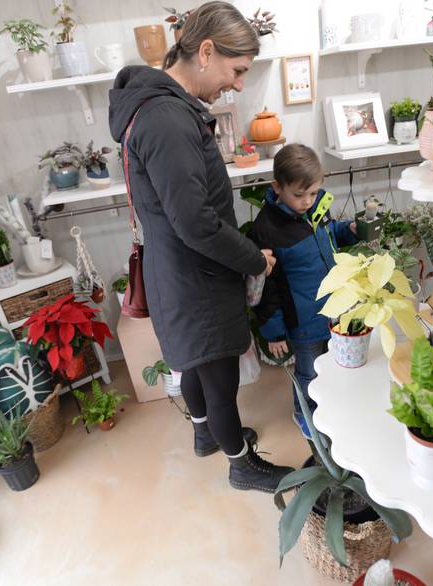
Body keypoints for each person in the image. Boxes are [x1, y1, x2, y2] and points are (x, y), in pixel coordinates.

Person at [108, 1, 293, 493]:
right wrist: (255, 259)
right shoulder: (168, 119)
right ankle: (241, 463)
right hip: (197, 277)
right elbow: (197, 223)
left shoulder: (155, 108)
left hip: (177, 271)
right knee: (218, 377)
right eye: (237, 71)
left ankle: (206, 435)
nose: (237, 84)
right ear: (205, 51)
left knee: (193, 362)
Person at [249, 144, 357, 438]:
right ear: (277, 187)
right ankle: (306, 417)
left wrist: (348, 230)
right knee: (309, 373)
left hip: (335, 311)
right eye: (299, 195)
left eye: (313, 193)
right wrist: (273, 333)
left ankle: (330, 410)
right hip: (303, 322)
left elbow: (330, 235)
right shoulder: (266, 229)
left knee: (334, 365)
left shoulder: (318, 206)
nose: (308, 201)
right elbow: (263, 288)